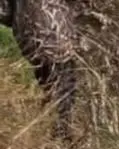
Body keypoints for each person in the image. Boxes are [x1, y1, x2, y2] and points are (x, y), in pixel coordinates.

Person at [5, 0, 80, 140]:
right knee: (65, 89)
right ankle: (63, 134)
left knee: (48, 85)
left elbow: (4, 11)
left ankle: (55, 132)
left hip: (29, 38)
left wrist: (23, 18)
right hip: (59, 34)